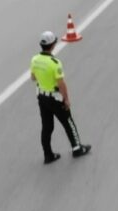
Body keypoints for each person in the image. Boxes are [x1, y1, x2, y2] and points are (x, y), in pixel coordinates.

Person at [30, 31, 92, 163]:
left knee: (47, 127)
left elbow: (33, 78)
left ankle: (48, 155)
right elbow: (61, 84)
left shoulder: (34, 59)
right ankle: (77, 148)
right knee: (68, 122)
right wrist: (66, 99)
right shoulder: (55, 63)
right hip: (55, 98)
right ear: (53, 45)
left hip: (41, 97)